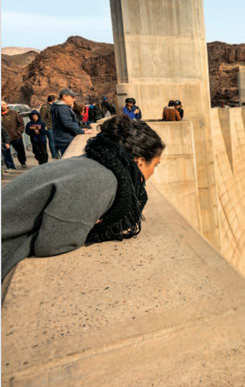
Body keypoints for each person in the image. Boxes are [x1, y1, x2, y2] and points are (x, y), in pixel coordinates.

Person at [2, 115, 165, 281]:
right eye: (155, 165)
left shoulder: (89, 165)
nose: (153, 172)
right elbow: (53, 244)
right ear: (139, 161)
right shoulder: (100, 180)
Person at [51, 89, 90, 157]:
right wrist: (81, 131)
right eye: (72, 97)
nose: (74, 99)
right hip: (65, 139)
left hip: (62, 138)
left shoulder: (60, 107)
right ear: (64, 96)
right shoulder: (62, 108)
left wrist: (80, 128)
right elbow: (68, 123)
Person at [1, 101, 27, 168]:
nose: (2, 106)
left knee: (20, 151)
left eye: (3, 104)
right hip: (4, 139)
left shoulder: (14, 113)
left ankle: (23, 162)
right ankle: (10, 167)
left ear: (7, 105)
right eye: (1, 105)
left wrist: (18, 132)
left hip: (16, 136)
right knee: (6, 153)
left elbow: (21, 124)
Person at [40, 95, 59, 159]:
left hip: (55, 126)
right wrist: (45, 126)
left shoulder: (54, 107)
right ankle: (54, 155)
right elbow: (42, 118)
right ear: (53, 100)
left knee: (55, 140)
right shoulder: (44, 107)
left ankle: (56, 153)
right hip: (48, 126)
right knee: (52, 141)